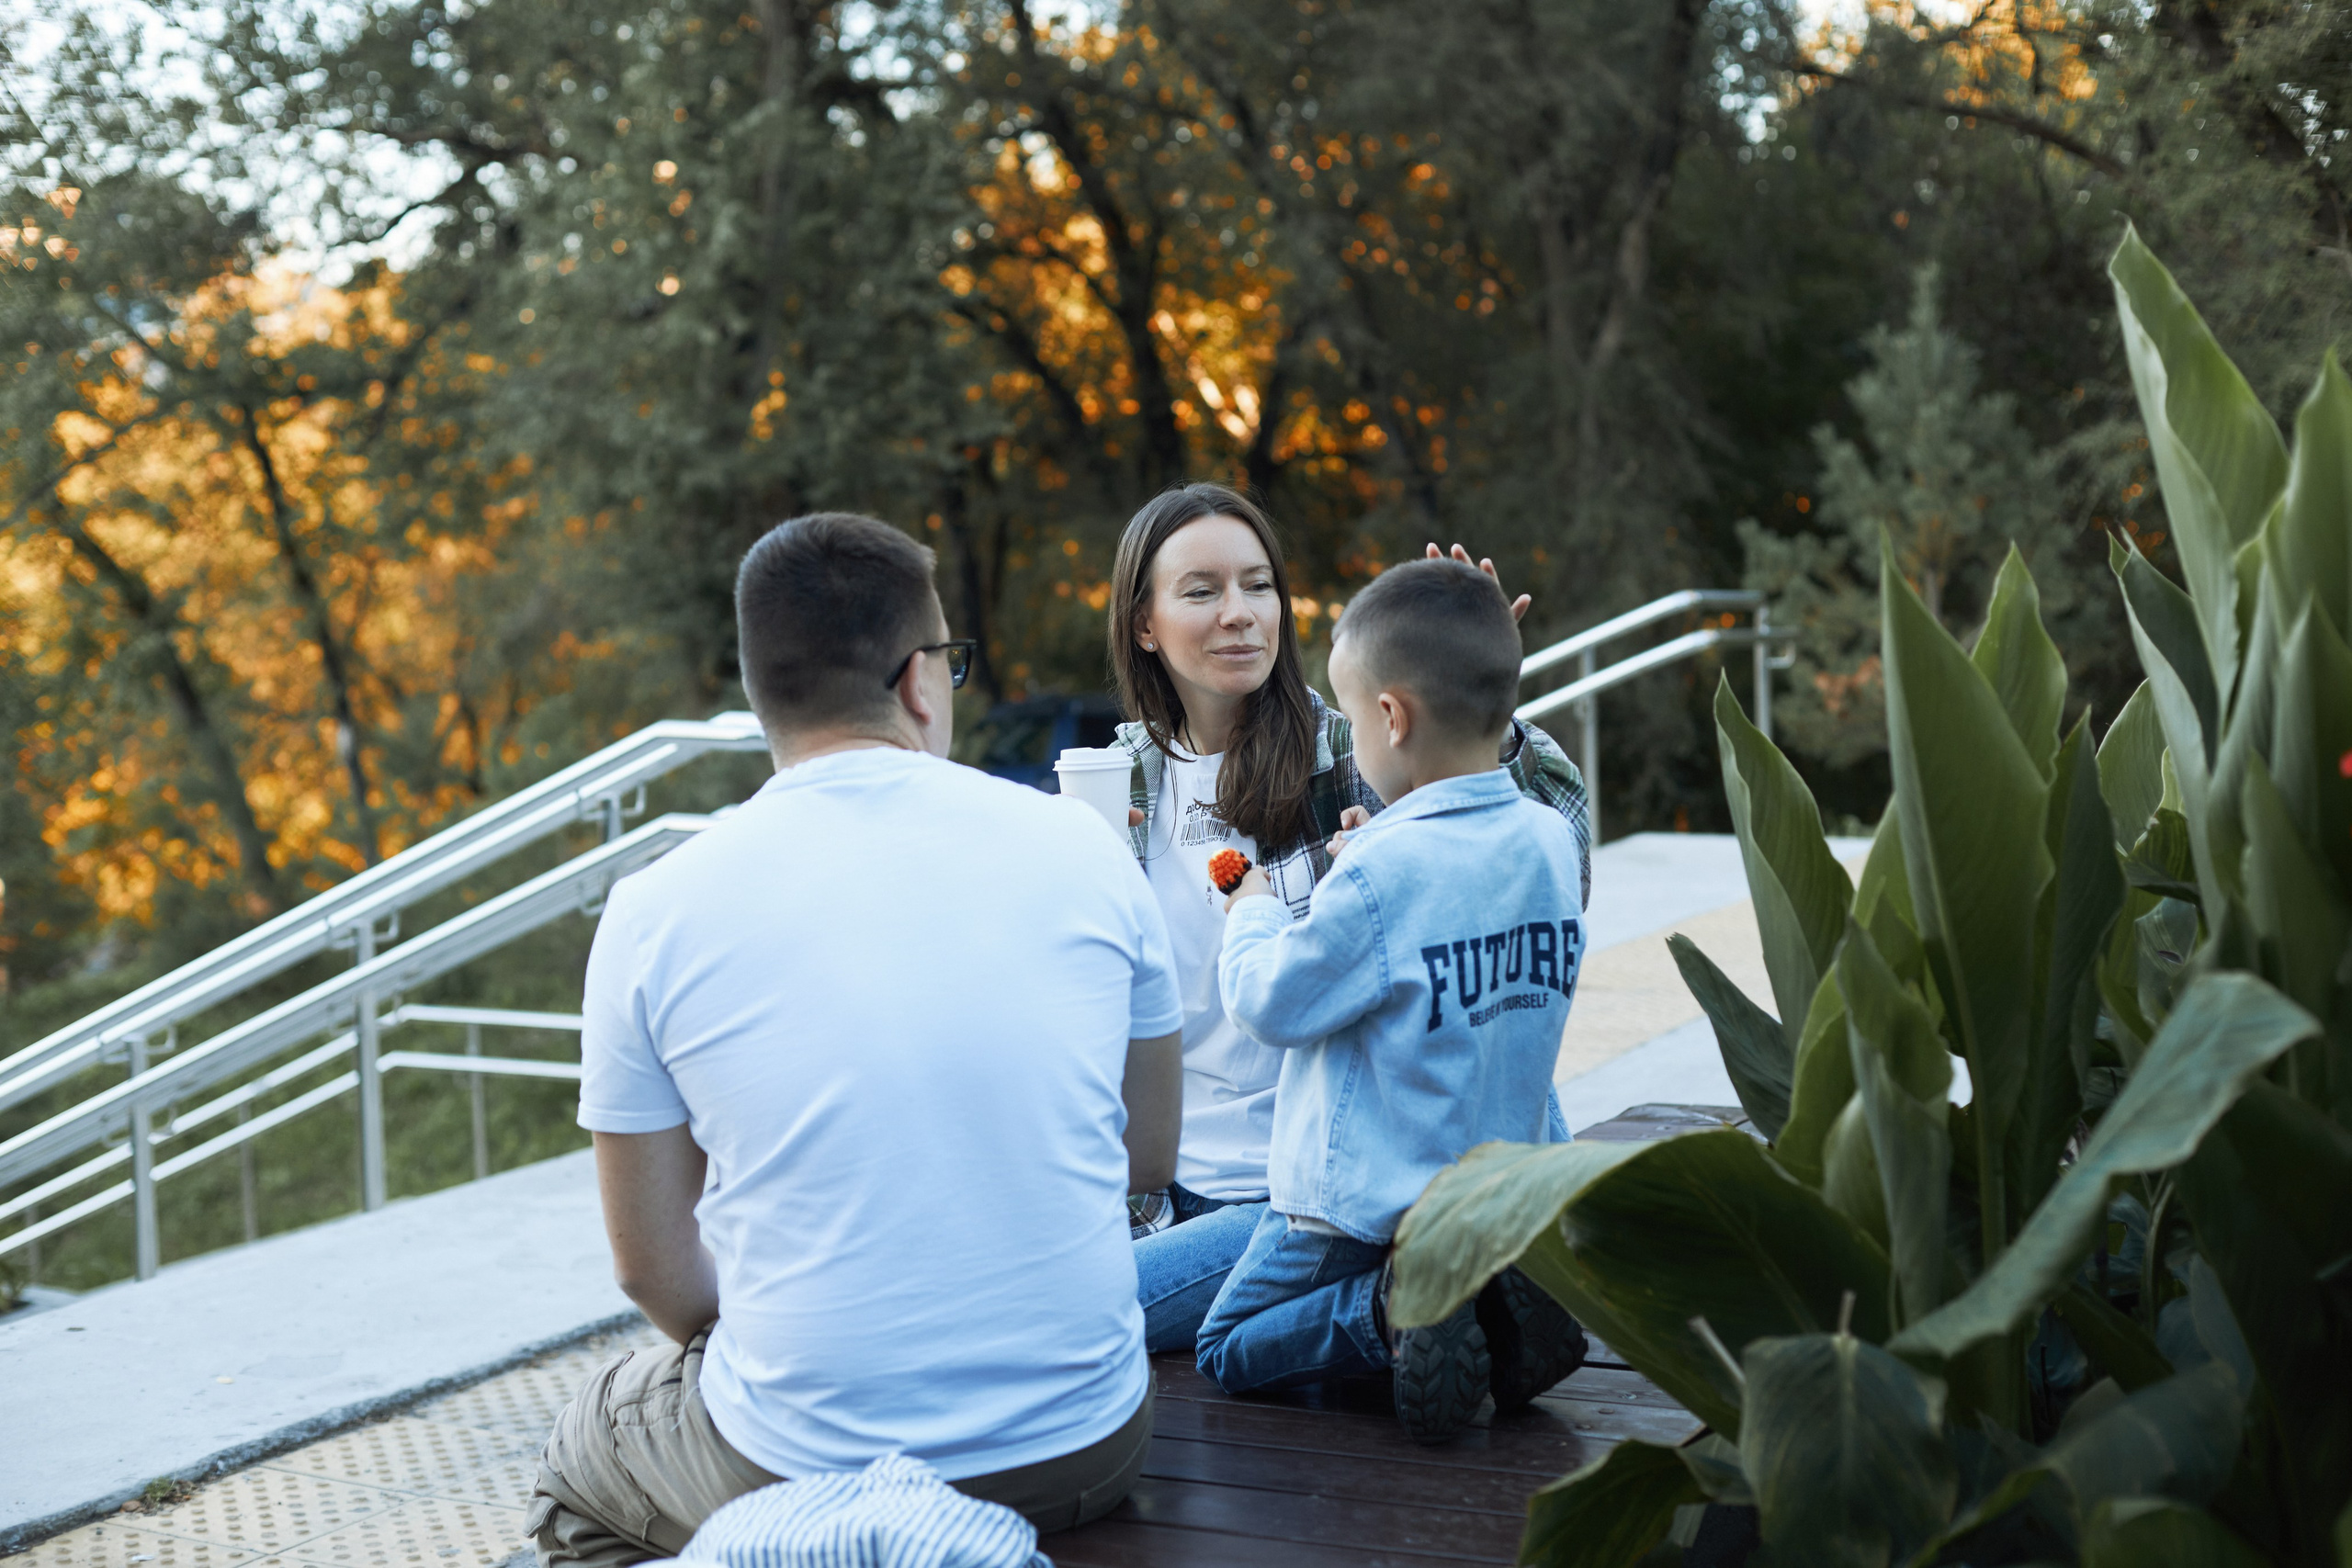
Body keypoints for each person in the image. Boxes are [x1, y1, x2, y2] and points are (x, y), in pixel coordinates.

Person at [527, 513, 1186, 1567]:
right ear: (920, 680)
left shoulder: (653, 909)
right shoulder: (1084, 845)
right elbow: (1147, 1157)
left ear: (761, 694)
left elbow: (651, 1271)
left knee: (582, 1453)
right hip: (1086, 1446)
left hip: (803, 1464)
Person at [1107, 483, 1589, 1353]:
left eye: (1259, 585)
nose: (1240, 613)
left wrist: (1476, 694)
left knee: (1085, 1316)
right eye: (1203, 590)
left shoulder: (1360, 744)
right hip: (1167, 1195)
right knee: (1053, 1299)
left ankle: (1427, 1292)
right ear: (1144, 624)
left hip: (1317, 1191)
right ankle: (1449, 1297)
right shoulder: (1116, 784)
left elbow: (1555, 858)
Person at [1193, 558, 1589, 1442]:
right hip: (1493, 1185)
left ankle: (1396, 1307)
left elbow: (1270, 1000)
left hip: (1366, 1199)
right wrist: (1376, 857)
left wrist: (1251, 909)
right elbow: (1455, 901)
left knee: (1226, 1344)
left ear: (1391, 717)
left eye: (1351, 718)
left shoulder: (1381, 868)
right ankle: (1494, 1293)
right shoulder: (1549, 839)